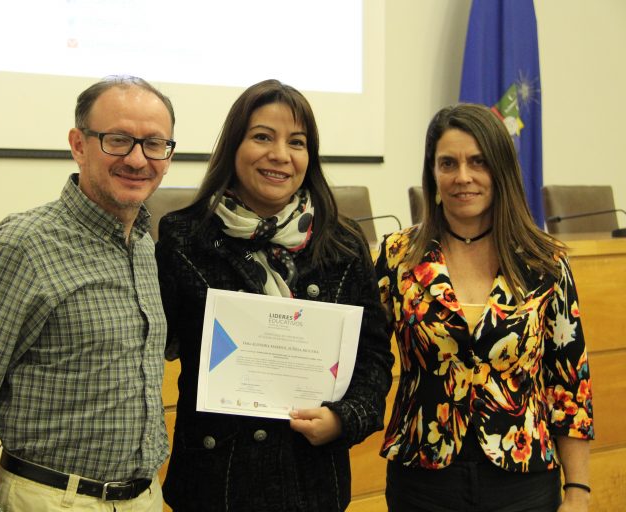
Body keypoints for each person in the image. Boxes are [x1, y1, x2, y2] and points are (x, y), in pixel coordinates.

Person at [0, 75, 176, 511]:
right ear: (78, 145)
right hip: (50, 499)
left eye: (154, 144)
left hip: (144, 497)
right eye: (118, 140)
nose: (138, 159)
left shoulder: (146, 246)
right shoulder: (24, 245)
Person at [154, 79, 394, 512]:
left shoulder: (342, 244)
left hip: (310, 483)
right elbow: (152, 344)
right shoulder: (184, 237)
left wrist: (344, 419)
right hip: (213, 484)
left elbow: (374, 356)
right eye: (263, 137)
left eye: (296, 142)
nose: (280, 154)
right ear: (234, 146)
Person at [374, 103, 594, 512]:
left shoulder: (544, 262)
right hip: (423, 480)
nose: (463, 176)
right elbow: (365, 355)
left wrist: (578, 490)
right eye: (448, 163)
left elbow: (569, 383)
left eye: (478, 162)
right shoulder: (398, 256)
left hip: (524, 481)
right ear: (433, 173)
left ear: (500, 169)